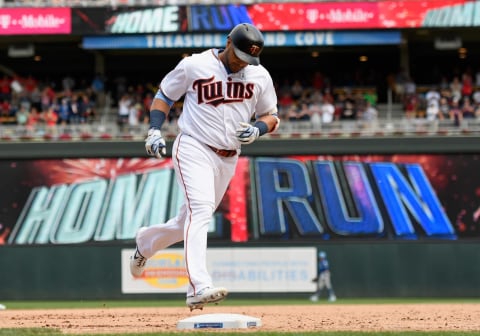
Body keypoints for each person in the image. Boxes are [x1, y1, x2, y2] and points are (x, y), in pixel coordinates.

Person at [129, 23, 279, 311]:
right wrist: (154, 130)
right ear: (228, 43)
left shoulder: (258, 74)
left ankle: (146, 243)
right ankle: (198, 287)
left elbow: (272, 115)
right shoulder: (194, 65)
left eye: (249, 59)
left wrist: (259, 129)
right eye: (239, 56)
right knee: (201, 210)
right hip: (193, 146)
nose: (242, 64)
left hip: (228, 156)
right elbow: (164, 96)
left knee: (186, 222)